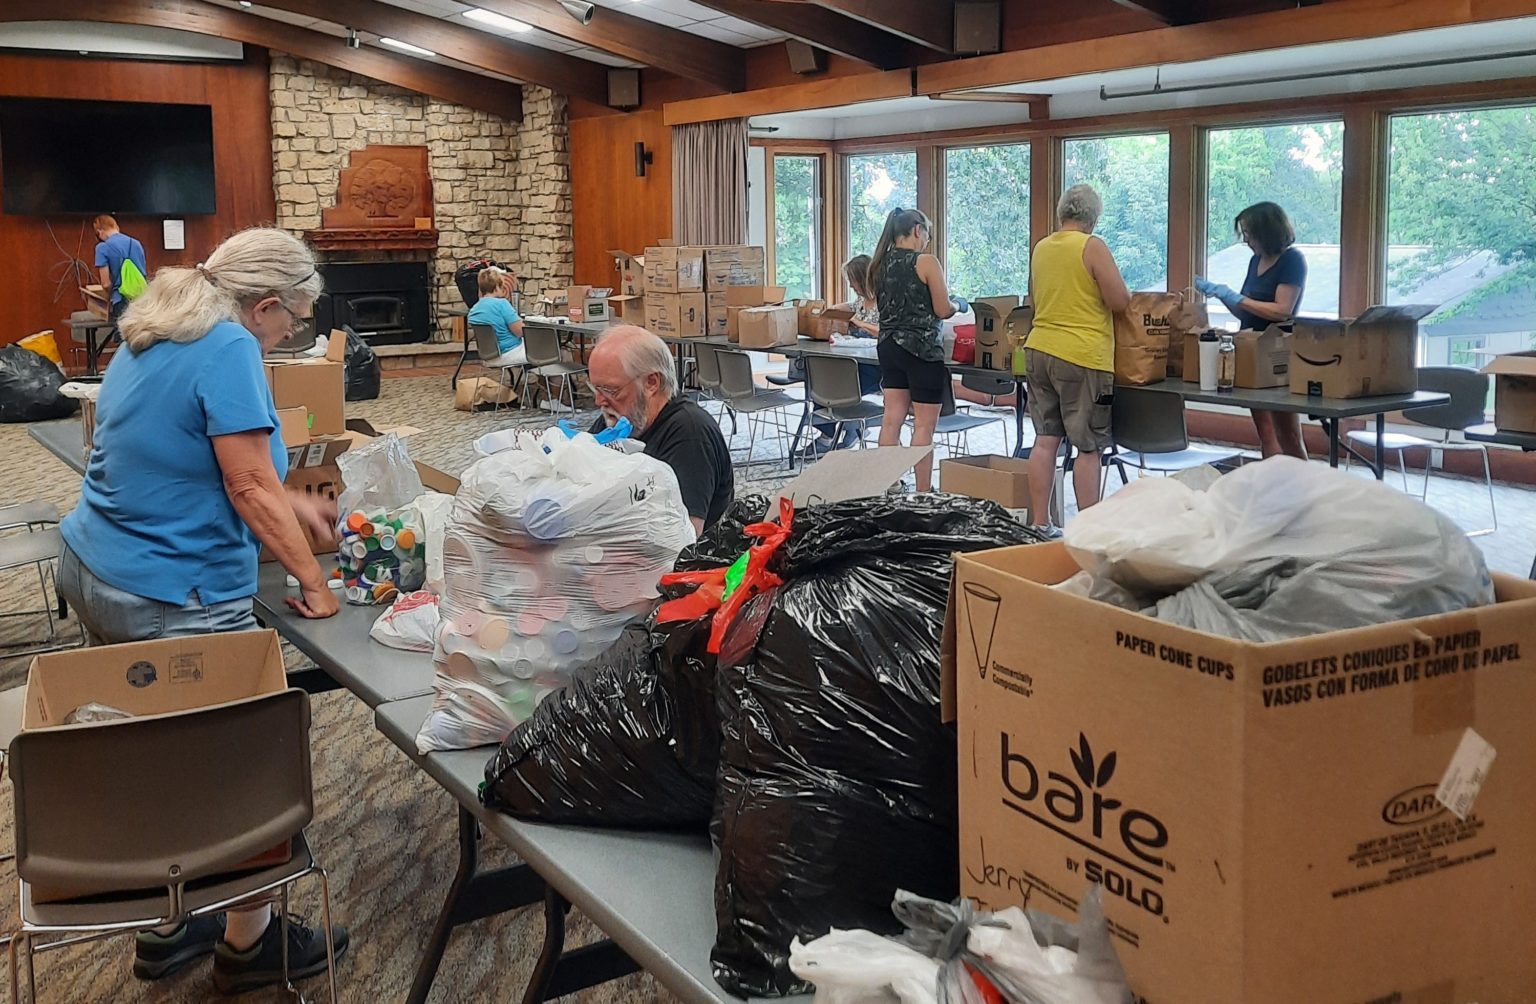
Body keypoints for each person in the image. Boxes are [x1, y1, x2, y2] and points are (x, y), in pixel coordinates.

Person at [57, 227, 351, 994]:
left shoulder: (159, 324)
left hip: (96, 567)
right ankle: (250, 945)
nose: (291, 335)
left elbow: (187, 456)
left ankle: (167, 927)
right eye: (294, 320)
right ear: (265, 305)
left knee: (153, 754)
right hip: (169, 593)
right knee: (246, 771)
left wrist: (291, 504)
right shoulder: (227, 346)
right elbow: (246, 484)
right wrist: (314, 582)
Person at [1023, 184, 1131, 537]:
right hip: (1082, 355)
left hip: (1039, 349)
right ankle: (1088, 532)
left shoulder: (1042, 247)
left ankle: (1040, 523)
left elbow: (1035, 300)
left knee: (1045, 440)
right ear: (1093, 218)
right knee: (1088, 447)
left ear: (1061, 214)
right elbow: (1120, 300)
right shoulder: (1092, 246)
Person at [587, 326, 733, 533]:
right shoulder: (617, 417)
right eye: (595, 388)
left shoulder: (690, 433)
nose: (599, 400)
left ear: (651, 383)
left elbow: (685, 535)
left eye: (610, 389)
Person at [1195, 201, 1309, 460]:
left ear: (1266, 232)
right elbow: (1246, 313)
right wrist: (1224, 296)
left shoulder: (1292, 260)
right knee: (1265, 432)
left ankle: (1300, 480)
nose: (1246, 239)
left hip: (1277, 352)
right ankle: (1270, 479)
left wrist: (1238, 298)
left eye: (1249, 233)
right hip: (1251, 348)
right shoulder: (1255, 261)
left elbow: (1282, 310)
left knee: (1288, 434)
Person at [869, 208, 961, 492]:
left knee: (891, 420)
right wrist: (958, 305)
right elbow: (942, 309)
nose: (926, 242)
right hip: (921, 350)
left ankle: (890, 484)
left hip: (888, 346)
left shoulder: (879, 264)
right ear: (918, 230)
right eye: (927, 236)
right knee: (923, 426)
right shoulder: (926, 262)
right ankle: (923, 491)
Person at [806, 255, 883, 453]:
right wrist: (830, 310)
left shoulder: (886, 301)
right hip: (855, 360)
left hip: (876, 366)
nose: (851, 285)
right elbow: (845, 308)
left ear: (864, 278)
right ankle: (842, 430)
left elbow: (885, 332)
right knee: (822, 378)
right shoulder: (860, 302)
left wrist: (859, 323)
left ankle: (836, 433)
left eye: (853, 281)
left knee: (835, 385)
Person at [92, 214, 148, 322]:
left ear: (99, 232)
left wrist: (108, 298)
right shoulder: (136, 243)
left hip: (121, 300)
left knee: (122, 332)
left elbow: (106, 283)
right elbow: (143, 273)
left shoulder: (102, 247)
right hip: (142, 299)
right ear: (116, 227)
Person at [467, 265, 525, 367]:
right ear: (497, 287)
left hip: (488, 355)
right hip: (509, 353)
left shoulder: (473, 310)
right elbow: (520, 332)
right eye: (502, 286)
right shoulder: (502, 304)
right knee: (549, 349)